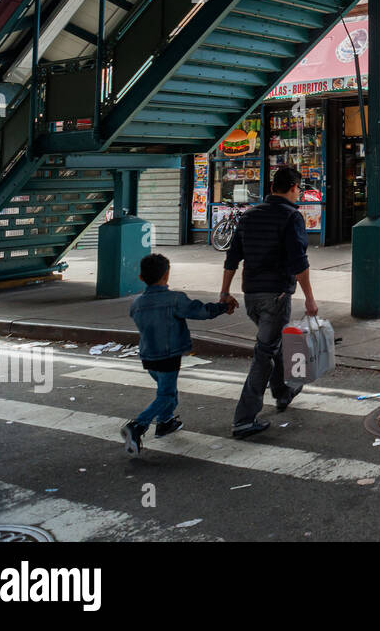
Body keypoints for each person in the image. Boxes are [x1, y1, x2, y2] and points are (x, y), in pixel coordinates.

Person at [222, 166, 317, 439]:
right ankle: (244, 418)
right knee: (264, 354)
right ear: (292, 188)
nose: (299, 193)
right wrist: (310, 298)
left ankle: (283, 392)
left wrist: (224, 293)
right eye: (299, 188)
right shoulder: (291, 217)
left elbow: (232, 258)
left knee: (272, 344)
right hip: (275, 296)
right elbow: (299, 262)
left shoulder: (250, 215)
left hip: (250, 294)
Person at [123, 253, 235, 455]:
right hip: (169, 356)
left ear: (141, 277)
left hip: (148, 356)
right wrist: (223, 307)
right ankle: (138, 425)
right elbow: (201, 312)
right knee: (166, 395)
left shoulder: (136, 304)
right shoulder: (175, 300)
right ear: (166, 275)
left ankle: (165, 422)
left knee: (167, 391)